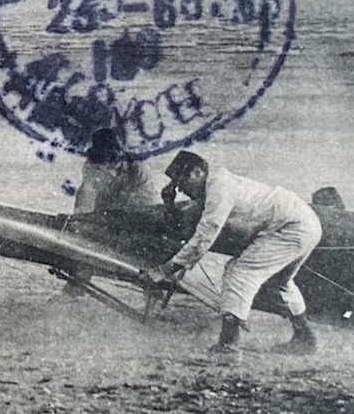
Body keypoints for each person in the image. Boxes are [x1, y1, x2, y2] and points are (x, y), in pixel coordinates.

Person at [157, 151, 322, 357]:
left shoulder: (219, 186)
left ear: (198, 172)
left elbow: (205, 234)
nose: (181, 190)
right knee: (279, 282)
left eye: (182, 182)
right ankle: (306, 338)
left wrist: (169, 268)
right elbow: (184, 228)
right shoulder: (212, 189)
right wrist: (169, 204)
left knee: (240, 271)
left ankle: (228, 346)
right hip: (304, 223)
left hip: (292, 226)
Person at [73, 127, 160, 215]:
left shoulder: (135, 166)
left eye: (110, 155)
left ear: (118, 152)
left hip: (135, 216)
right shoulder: (92, 166)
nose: (106, 161)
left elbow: (149, 199)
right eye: (101, 156)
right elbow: (86, 195)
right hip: (104, 217)